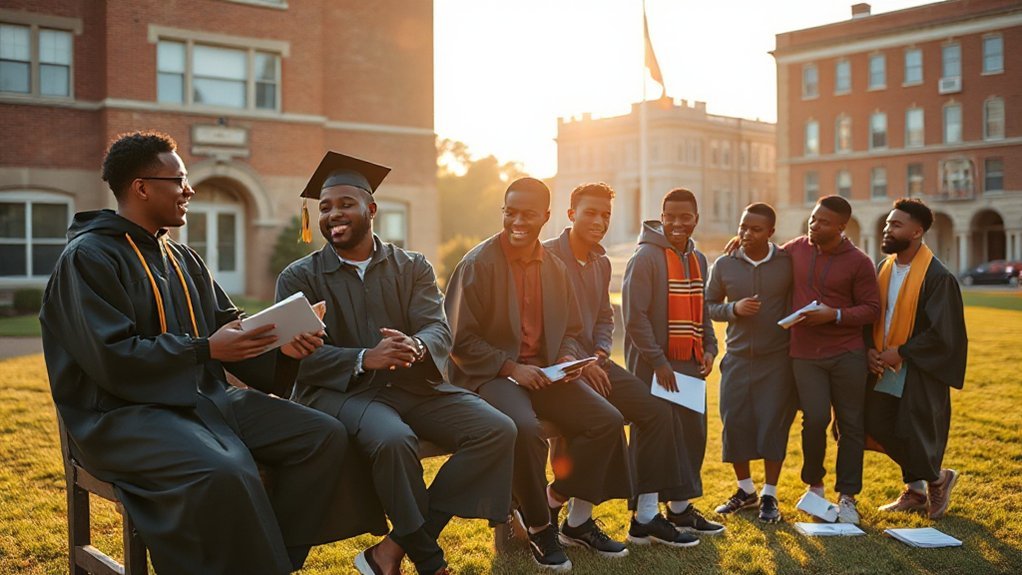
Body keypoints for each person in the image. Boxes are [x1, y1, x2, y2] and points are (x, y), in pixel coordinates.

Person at [39, 131, 380, 575]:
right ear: (141, 187)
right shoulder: (88, 257)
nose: (189, 189)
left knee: (323, 436)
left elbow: (230, 327)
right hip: (122, 415)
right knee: (225, 471)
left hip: (203, 401)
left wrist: (285, 345)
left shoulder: (184, 259)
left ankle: (273, 560)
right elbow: (111, 355)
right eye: (179, 179)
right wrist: (205, 350)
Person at [277, 152, 517, 575]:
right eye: (326, 207)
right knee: (393, 440)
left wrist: (417, 347)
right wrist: (365, 358)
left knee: (496, 429)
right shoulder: (300, 277)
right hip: (341, 394)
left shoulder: (412, 266)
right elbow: (299, 359)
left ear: (371, 209)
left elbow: (437, 329)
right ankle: (429, 560)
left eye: (346, 204)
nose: (334, 214)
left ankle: (391, 548)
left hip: (412, 385)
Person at [445, 177, 633, 571]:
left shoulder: (555, 268)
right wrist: (513, 367)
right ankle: (539, 527)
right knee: (525, 429)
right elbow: (459, 339)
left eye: (527, 214)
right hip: (490, 377)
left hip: (544, 374)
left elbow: (570, 329)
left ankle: (555, 499)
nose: (516, 221)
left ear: (545, 217)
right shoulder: (478, 264)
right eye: (509, 212)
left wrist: (565, 357)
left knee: (607, 419)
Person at [543, 182, 700, 548]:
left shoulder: (600, 262)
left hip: (593, 360)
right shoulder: (548, 257)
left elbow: (604, 318)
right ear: (571, 215)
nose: (600, 221)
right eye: (591, 213)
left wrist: (598, 353)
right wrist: (580, 362)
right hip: (558, 366)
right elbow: (548, 325)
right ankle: (567, 512)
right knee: (607, 419)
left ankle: (644, 516)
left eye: (606, 215)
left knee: (658, 412)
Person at [622, 187, 726, 537]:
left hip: (689, 362)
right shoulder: (646, 256)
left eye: (685, 217)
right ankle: (645, 518)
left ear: (696, 218)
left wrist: (710, 347)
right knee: (656, 435)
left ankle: (680, 510)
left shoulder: (698, 258)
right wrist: (658, 362)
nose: (677, 224)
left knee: (690, 434)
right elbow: (634, 317)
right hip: (654, 365)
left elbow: (703, 312)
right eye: (671, 217)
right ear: (661, 217)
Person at [865, 198, 966, 520]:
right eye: (887, 223)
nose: (887, 228)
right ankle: (926, 484)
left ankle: (926, 485)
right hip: (885, 365)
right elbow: (875, 316)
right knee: (874, 422)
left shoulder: (937, 276)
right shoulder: (884, 268)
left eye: (896, 225)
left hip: (918, 368)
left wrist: (903, 352)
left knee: (912, 430)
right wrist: (871, 348)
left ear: (917, 231)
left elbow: (943, 333)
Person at [784, 195, 880, 524]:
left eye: (823, 222)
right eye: (813, 218)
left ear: (841, 227)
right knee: (814, 419)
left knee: (851, 425)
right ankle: (815, 486)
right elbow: (765, 259)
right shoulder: (795, 248)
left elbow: (871, 309)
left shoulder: (859, 262)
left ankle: (848, 497)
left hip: (847, 354)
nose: (814, 225)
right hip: (805, 355)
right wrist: (744, 240)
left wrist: (834, 315)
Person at [705, 202, 797, 523]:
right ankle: (745, 491)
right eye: (743, 226)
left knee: (773, 425)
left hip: (777, 360)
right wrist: (733, 309)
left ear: (771, 232)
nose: (745, 233)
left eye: (755, 229)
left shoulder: (787, 261)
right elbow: (709, 305)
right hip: (737, 359)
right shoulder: (724, 264)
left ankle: (770, 495)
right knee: (735, 423)